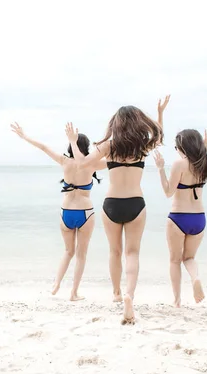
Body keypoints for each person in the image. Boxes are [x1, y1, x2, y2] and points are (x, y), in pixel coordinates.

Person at [68, 96, 169, 324]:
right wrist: (160, 113)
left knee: (114, 251)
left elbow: (83, 163)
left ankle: (115, 293)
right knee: (132, 252)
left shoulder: (109, 146)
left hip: (111, 204)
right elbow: (159, 134)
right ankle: (129, 295)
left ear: (116, 123)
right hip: (135, 202)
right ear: (137, 123)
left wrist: (74, 141)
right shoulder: (141, 147)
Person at [10, 122, 104, 301]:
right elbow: (117, 161)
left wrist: (24, 136)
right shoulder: (93, 165)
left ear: (71, 145)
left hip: (66, 213)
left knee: (68, 251)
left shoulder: (64, 161)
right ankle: (74, 293)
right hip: (85, 213)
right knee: (81, 255)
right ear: (86, 147)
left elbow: (44, 147)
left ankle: (56, 285)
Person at [153, 128, 207, 307]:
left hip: (178, 217)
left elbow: (168, 192)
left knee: (174, 260)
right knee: (189, 258)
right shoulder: (203, 165)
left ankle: (177, 300)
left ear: (183, 147)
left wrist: (161, 169)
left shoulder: (179, 164)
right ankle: (195, 278)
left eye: (177, 146)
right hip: (199, 219)